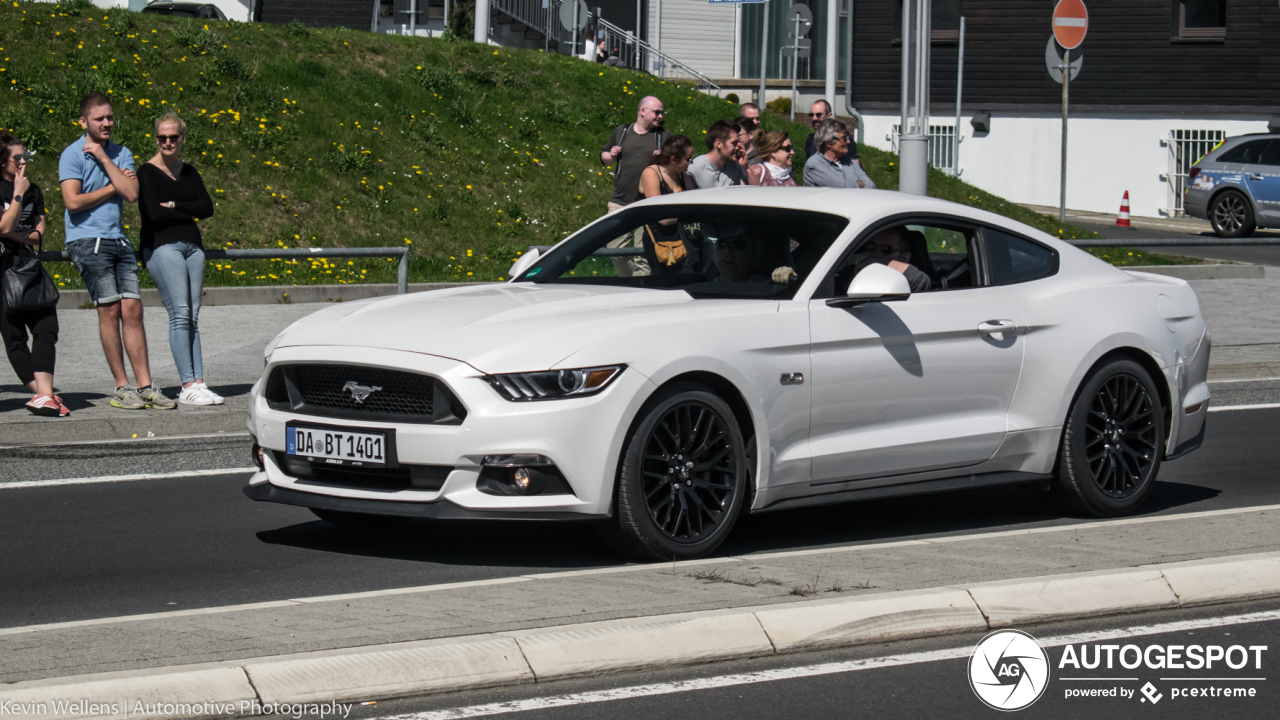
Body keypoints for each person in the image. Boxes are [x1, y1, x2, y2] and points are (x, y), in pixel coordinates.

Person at [59, 92, 175, 411]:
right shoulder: (71, 155)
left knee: (133, 310)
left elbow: (133, 193)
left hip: (118, 240)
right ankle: (122, 387)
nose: (107, 123)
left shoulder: (120, 153)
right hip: (87, 241)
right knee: (109, 310)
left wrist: (103, 157)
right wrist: (113, 186)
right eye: (100, 119)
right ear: (84, 121)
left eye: (110, 117)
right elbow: (73, 202)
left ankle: (145, 386)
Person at [137, 112, 221, 406]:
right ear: (156, 138)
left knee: (193, 317)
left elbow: (207, 208)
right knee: (180, 313)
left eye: (173, 137)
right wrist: (188, 209)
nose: (168, 142)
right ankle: (186, 385)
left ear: (182, 138)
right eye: (163, 137)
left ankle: (199, 381)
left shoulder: (189, 172)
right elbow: (153, 214)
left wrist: (174, 204)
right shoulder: (146, 172)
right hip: (162, 246)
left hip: (192, 247)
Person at [0, 135, 65, 417]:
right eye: (17, 157)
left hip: (28, 265)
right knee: (14, 335)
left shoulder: (34, 190)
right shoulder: (12, 189)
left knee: (47, 325)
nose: (23, 161)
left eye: (24, 156)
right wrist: (16, 194)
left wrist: (14, 233)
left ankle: (44, 395)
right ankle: (44, 395)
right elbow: (3, 227)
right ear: (2, 161)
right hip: (3, 269)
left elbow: (39, 235)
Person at [599, 96, 669, 276]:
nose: (660, 116)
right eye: (657, 112)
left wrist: (663, 159)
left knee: (642, 257)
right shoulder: (622, 131)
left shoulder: (664, 136)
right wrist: (611, 155)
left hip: (647, 204)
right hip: (619, 202)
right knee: (614, 252)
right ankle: (629, 281)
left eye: (661, 112)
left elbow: (676, 165)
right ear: (642, 111)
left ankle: (639, 290)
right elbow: (604, 156)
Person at [636, 135, 697, 275]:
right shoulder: (652, 173)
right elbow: (661, 217)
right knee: (665, 284)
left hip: (685, 239)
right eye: (688, 159)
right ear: (674, 159)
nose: (690, 162)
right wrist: (687, 213)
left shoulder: (682, 175)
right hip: (660, 241)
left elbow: (695, 205)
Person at [851, 226, 931, 293]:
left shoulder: (911, 284)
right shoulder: (853, 272)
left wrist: (874, 262)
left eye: (886, 249)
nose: (876, 254)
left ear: (904, 258)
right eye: (872, 246)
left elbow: (921, 280)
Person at [803, 119, 876, 189]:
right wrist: (860, 184)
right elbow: (842, 187)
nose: (848, 142)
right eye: (844, 138)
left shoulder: (848, 161)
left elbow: (871, 185)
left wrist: (856, 185)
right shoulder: (814, 164)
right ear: (829, 142)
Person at [687, 120, 748, 189]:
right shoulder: (695, 168)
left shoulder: (734, 166)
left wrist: (746, 167)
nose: (738, 147)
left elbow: (753, 191)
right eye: (734, 143)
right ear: (718, 144)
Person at [803, 99, 862, 168]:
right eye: (811, 115)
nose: (814, 118)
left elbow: (856, 168)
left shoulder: (843, 139)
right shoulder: (810, 140)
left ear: (829, 115)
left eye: (819, 115)